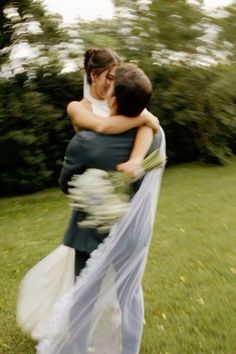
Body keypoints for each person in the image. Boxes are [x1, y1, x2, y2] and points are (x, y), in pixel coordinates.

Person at [36, 63, 166, 354]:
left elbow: (66, 184)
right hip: (132, 234)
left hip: (89, 234)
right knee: (130, 295)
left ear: (114, 101)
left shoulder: (85, 142)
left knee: (83, 295)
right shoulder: (155, 134)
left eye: (111, 87)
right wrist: (125, 177)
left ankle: (78, 349)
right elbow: (156, 165)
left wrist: (97, 189)